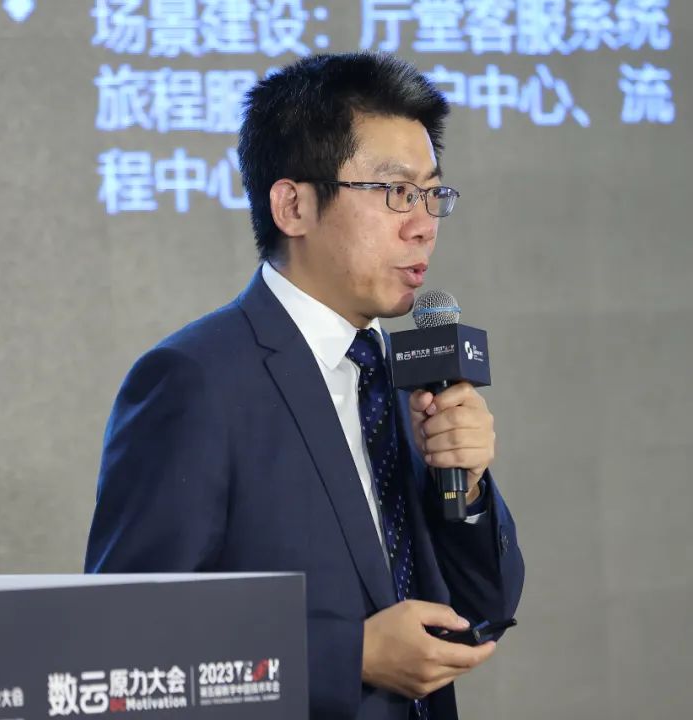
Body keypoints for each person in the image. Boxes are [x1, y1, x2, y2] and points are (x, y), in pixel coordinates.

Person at [84, 52, 525, 720]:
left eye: (432, 194)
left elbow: (484, 606)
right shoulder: (195, 382)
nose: (423, 224)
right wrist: (348, 654)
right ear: (293, 205)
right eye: (395, 192)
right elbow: (127, 640)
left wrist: (465, 486)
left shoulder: (402, 379)